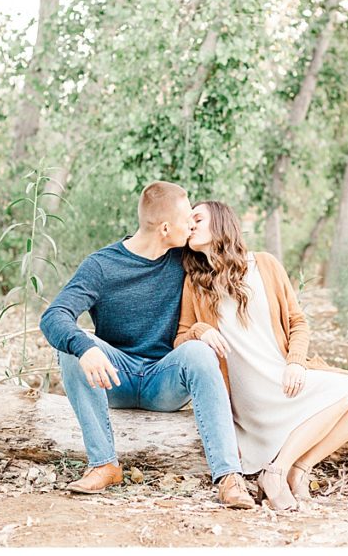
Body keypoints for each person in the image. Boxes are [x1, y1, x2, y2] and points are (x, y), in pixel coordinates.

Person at [39, 181, 255, 508]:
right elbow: (54, 315)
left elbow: (227, 254)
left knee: (198, 351)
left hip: (162, 380)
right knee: (72, 347)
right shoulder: (102, 266)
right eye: (187, 222)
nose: (192, 228)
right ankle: (104, 464)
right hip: (116, 377)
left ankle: (229, 477)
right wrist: (85, 347)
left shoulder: (184, 256)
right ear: (166, 228)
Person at [175, 200, 348, 510]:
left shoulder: (266, 265)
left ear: (221, 223)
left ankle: (296, 469)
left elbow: (298, 322)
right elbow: (181, 341)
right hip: (249, 396)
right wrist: (200, 331)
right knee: (343, 395)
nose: (190, 224)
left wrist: (296, 362)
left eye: (198, 218)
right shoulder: (195, 283)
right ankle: (276, 472)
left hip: (283, 378)